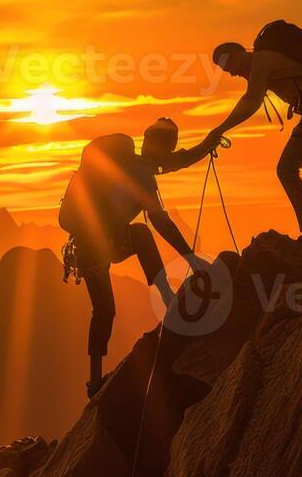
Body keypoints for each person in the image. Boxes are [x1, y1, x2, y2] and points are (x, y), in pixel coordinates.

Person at [59, 118, 219, 398]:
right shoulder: (141, 173)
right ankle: (168, 297)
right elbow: (161, 222)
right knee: (142, 236)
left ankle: (94, 381)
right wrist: (192, 260)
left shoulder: (130, 164)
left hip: (86, 246)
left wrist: (206, 146)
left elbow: (174, 162)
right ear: (163, 147)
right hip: (103, 244)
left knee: (104, 310)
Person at [207, 21, 302, 251]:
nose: (231, 72)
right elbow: (253, 98)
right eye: (225, 70)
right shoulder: (259, 67)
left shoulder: (261, 60)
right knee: (286, 169)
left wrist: (218, 130)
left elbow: (251, 102)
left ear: (241, 52)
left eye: (229, 64)